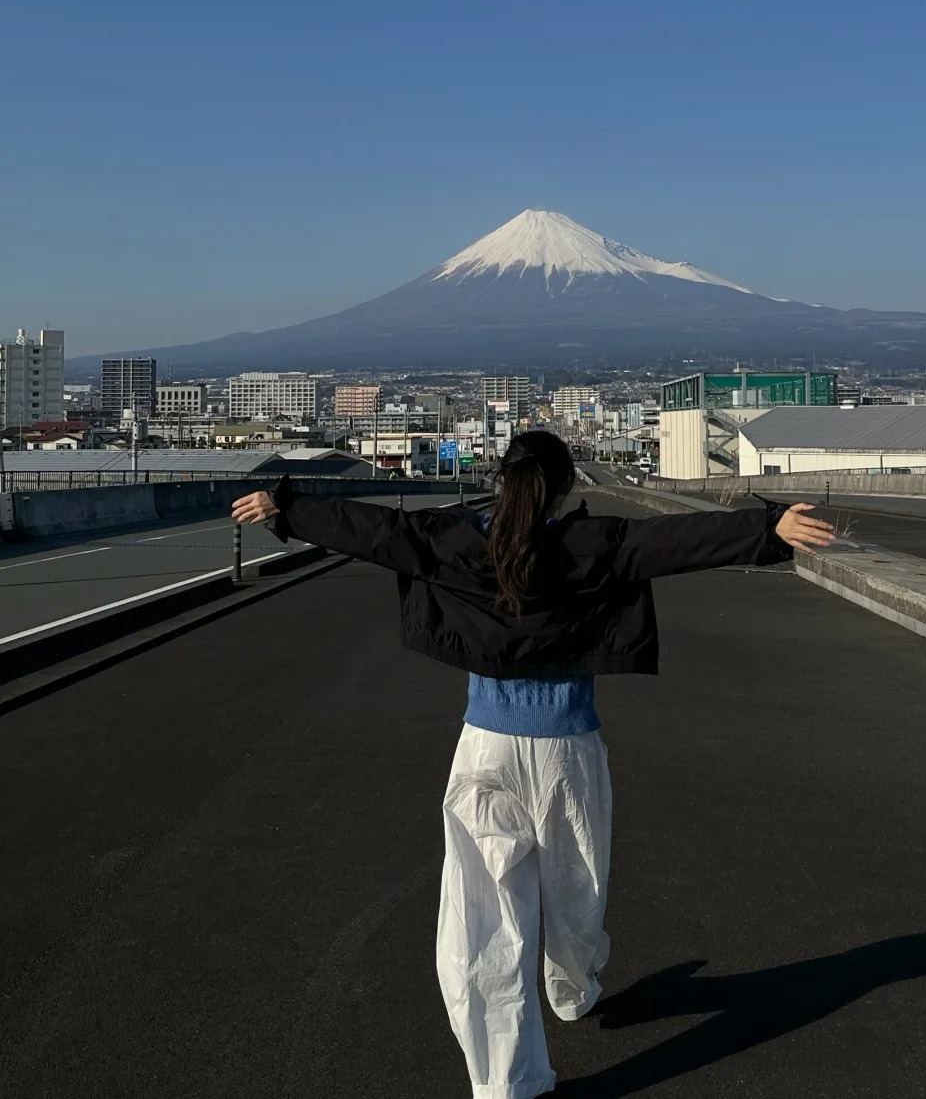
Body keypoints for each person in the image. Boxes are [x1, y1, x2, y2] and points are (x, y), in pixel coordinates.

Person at [232, 431, 834, 1099]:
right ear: (564, 486)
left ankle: (508, 1084)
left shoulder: (459, 540)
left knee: (483, 923)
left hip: (484, 749)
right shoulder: (591, 545)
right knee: (577, 898)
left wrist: (288, 508)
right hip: (566, 752)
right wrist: (768, 529)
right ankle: (572, 987)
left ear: (504, 477)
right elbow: (672, 542)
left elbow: (380, 531)